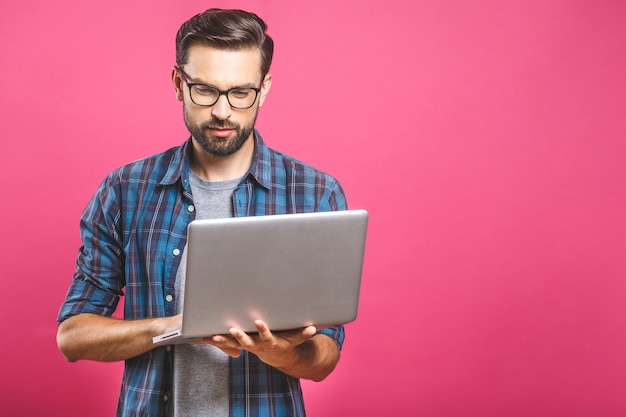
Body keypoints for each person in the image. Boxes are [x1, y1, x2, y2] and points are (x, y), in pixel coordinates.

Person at [56, 8, 347, 417]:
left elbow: (325, 357)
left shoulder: (315, 194)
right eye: (205, 91)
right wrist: (175, 326)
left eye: (240, 92)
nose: (223, 111)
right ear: (179, 83)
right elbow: (72, 336)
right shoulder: (125, 190)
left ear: (264, 88)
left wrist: (278, 352)